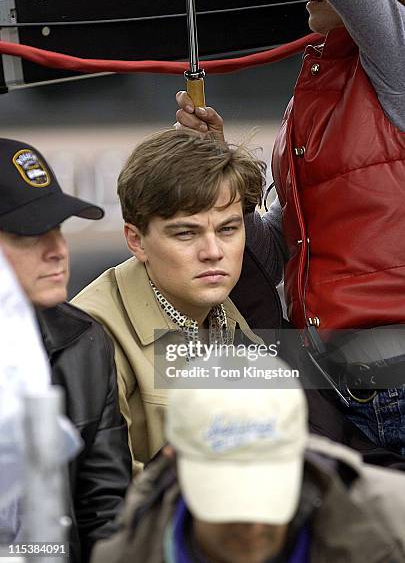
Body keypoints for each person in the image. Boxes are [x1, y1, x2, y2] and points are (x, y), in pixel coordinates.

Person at [175, 0, 405, 456]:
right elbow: (274, 252)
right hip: (336, 396)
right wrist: (219, 174)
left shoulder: (400, 51)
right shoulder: (314, 86)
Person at [72, 128, 269, 473]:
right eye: (185, 233)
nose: (212, 252)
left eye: (228, 229)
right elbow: (100, 498)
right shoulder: (92, 335)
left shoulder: (228, 315)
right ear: (136, 240)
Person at [90, 382, 405, 563]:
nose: (253, 522)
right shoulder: (125, 556)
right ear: (175, 464)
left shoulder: (393, 526)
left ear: (302, 460)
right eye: (227, 496)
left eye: (269, 491)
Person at [0, 137, 132, 563]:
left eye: (58, 228)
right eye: (30, 235)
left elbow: (104, 506)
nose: (58, 250)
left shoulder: (83, 340)